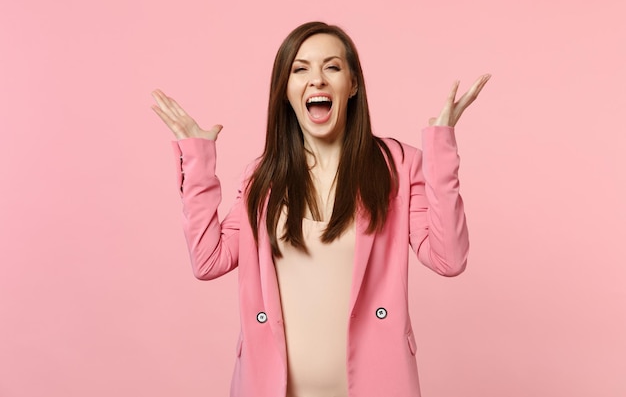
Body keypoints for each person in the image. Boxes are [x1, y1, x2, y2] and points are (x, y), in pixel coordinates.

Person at [151, 21, 489, 397]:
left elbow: (449, 258)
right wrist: (197, 162)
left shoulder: (398, 166)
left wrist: (439, 154)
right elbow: (207, 260)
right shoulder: (262, 179)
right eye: (300, 69)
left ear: (353, 85)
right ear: (285, 92)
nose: (317, 80)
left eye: (331, 67)